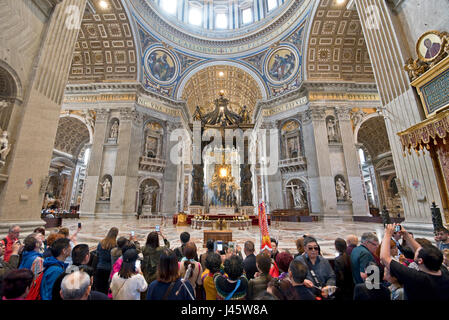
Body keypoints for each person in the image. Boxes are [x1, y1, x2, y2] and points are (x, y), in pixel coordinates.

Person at [380, 224, 449, 300]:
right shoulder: (443, 271)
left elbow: (384, 258)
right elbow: (420, 250)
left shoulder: (416, 278)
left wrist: (387, 234)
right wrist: (406, 235)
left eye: (417, 252)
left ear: (420, 261)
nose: (416, 250)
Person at [93, 227, 118, 294]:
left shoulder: (101, 243)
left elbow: (97, 254)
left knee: (99, 289)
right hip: (109, 269)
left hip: (100, 267)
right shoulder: (115, 245)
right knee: (107, 289)